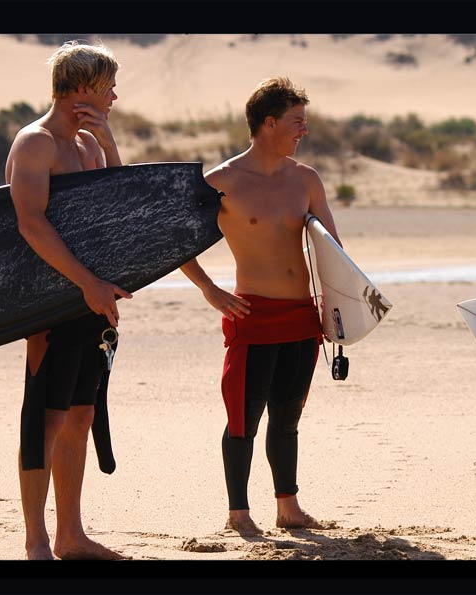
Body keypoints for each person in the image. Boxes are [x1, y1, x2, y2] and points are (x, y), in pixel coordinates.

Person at [180, 77, 341, 536]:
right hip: (251, 315)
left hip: (302, 316)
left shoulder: (305, 179)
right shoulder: (223, 182)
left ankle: (288, 508)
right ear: (269, 123)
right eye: (296, 121)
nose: (304, 130)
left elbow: (334, 251)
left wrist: (338, 311)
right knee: (243, 419)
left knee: (287, 418)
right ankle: (238, 513)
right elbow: (174, 242)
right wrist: (209, 289)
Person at [5, 41, 132, 560]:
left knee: (81, 415)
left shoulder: (89, 145)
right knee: (46, 418)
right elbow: (30, 223)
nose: (114, 97)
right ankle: (36, 540)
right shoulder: (35, 143)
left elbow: (122, 206)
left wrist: (110, 143)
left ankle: (71, 535)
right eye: (108, 89)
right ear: (82, 88)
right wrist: (87, 283)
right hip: (48, 302)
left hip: (90, 300)